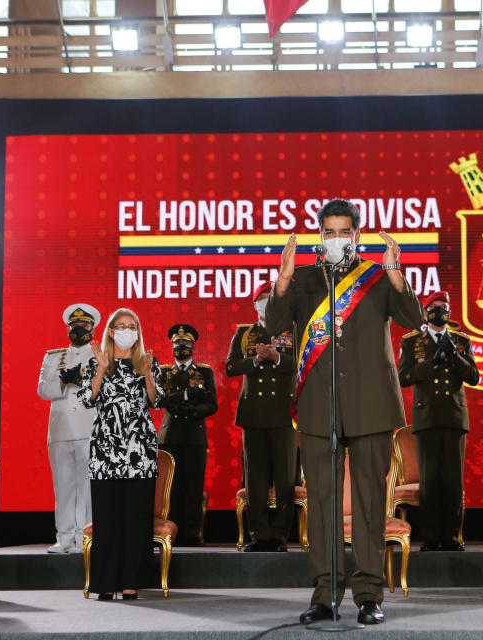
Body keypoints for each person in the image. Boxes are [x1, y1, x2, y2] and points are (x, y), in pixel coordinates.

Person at [265, 198, 423, 625]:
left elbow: (413, 318)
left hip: (372, 405)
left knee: (371, 504)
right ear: (320, 236)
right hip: (319, 406)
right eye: (328, 232)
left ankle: (370, 595)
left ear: (356, 234)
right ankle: (325, 593)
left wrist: (396, 274)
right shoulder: (302, 278)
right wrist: (282, 277)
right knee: (321, 504)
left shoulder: (376, 277)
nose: (336, 239)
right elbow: (273, 325)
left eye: (344, 232)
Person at [78, 308, 162, 601]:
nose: (127, 331)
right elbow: (87, 400)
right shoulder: (95, 362)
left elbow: (156, 400)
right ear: (111, 331)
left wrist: (149, 375)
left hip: (139, 450)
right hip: (105, 451)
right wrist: (101, 368)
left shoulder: (147, 363)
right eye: (121, 326)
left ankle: (131, 582)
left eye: (132, 326)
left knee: (137, 521)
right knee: (107, 520)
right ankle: (106, 581)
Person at [398, 290, 479, 552]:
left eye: (444, 307)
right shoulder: (412, 342)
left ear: (450, 312)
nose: (439, 311)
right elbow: (403, 377)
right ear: (426, 311)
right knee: (430, 480)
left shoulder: (461, 341)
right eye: (434, 307)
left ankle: (452, 535)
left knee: (453, 481)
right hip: (427, 415)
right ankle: (432, 536)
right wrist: (430, 364)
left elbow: (474, 377)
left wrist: (455, 356)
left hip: (454, 416)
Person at [225, 281, 298, 553]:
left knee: (284, 478)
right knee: (254, 478)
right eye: (262, 299)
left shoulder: (292, 329)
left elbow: (302, 365)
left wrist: (277, 357)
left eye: (271, 298)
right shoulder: (244, 333)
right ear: (254, 303)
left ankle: (279, 535)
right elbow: (230, 367)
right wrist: (255, 361)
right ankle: (259, 534)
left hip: (284, 414)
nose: (266, 303)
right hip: (253, 415)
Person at [37, 303, 102, 554]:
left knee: (87, 487)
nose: (79, 329)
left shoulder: (100, 355)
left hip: (90, 428)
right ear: (68, 328)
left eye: (84, 325)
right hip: (61, 429)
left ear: (92, 328)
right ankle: (64, 537)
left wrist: (83, 379)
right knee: (63, 485)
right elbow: (43, 390)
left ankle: (85, 536)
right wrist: (63, 380)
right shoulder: (54, 356)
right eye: (74, 325)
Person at [159, 324, 218, 547]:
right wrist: (185, 396)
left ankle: (192, 534)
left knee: (193, 485)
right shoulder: (164, 371)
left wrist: (195, 410)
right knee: (169, 488)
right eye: (177, 344)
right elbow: (161, 400)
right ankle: (169, 532)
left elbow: (211, 404)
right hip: (170, 435)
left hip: (194, 434)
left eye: (184, 344)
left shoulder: (204, 372)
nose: (180, 347)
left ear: (193, 346)